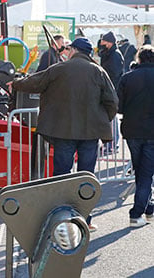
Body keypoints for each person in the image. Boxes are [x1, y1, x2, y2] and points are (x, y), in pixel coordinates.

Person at [13, 37, 119, 231]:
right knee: (86, 176)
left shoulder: (59, 69)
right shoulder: (98, 71)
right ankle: (84, 219)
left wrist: (15, 82)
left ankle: (59, 217)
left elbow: (33, 83)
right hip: (90, 133)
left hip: (63, 132)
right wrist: (100, 121)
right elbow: (112, 102)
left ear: (73, 50)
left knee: (61, 175)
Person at [116, 45, 154, 227]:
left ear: (139, 59)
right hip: (151, 132)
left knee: (141, 171)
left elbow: (119, 107)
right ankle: (137, 212)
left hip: (131, 130)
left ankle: (148, 207)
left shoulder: (127, 78)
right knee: (146, 173)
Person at [99, 31, 124, 154]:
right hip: (109, 90)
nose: (101, 43)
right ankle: (110, 144)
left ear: (109, 42)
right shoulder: (109, 54)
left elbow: (113, 75)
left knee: (112, 118)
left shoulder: (114, 55)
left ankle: (113, 144)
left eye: (103, 40)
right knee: (109, 118)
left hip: (111, 91)